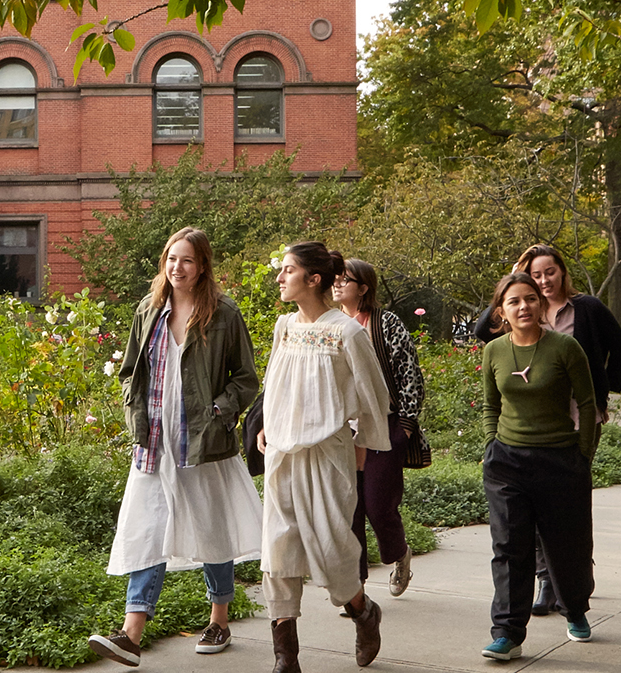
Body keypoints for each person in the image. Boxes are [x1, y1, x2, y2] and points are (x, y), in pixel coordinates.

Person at [89, 227, 264, 667]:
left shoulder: (223, 314)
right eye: (171, 258)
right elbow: (130, 372)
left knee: (212, 529)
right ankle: (131, 634)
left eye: (186, 260)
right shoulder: (149, 310)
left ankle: (219, 618)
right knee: (148, 529)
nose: (176, 267)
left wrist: (220, 413)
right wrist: (135, 415)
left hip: (203, 442)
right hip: (155, 443)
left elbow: (246, 379)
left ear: (202, 265)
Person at [471, 244, 621, 614]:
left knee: (568, 509)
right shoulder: (520, 310)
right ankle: (546, 580)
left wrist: (605, 392)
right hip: (529, 420)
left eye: (549, 272)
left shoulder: (585, 308)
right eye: (535, 274)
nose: (543, 280)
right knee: (529, 514)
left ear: (562, 272)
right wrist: (514, 277)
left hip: (578, 413)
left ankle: (573, 577)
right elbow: (484, 329)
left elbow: (619, 347)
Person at [258, 241, 394, 671]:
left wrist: (362, 450)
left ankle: (363, 612)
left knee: (334, 553)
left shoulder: (346, 331)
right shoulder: (284, 327)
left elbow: (375, 398)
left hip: (329, 454)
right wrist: (267, 425)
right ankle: (286, 658)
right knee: (277, 554)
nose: (280, 278)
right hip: (282, 455)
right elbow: (276, 383)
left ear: (313, 279)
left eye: (288, 270)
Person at [477, 272, 601, 662]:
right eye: (514, 301)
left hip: (560, 460)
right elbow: (490, 405)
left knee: (567, 546)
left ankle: (575, 607)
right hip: (507, 462)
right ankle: (507, 632)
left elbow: (587, 403)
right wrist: (489, 446)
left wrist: (582, 456)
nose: (524, 306)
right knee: (509, 548)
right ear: (502, 311)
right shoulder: (494, 351)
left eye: (530, 298)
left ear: (540, 304)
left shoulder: (565, 347)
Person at [331, 258, 425, 598]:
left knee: (377, 504)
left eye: (346, 280)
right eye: (335, 279)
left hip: (384, 427)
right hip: (342, 430)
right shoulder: (330, 323)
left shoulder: (386, 324)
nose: (337, 284)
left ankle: (399, 554)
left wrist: (406, 427)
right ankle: (356, 587)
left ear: (364, 287)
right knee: (349, 509)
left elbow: (409, 375)